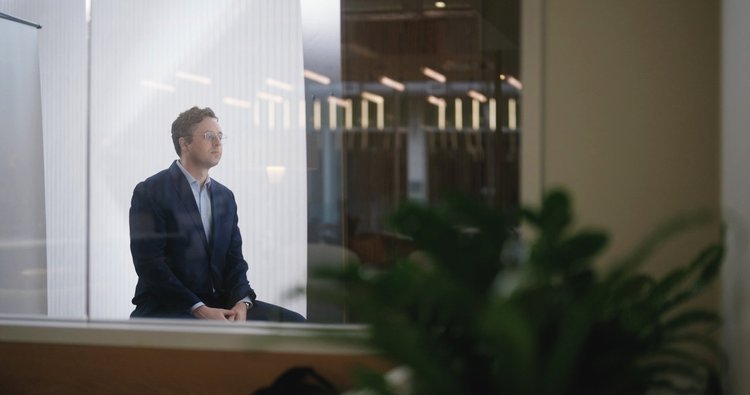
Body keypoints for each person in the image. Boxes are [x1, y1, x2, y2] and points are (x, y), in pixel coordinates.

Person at [129, 106, 304, 322]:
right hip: (170, 306)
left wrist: (242, 302)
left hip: (220, 303)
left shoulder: (225, 197)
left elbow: (235, 261)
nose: (218, 143)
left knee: (294, 323)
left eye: (220, 136)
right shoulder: (151, 191)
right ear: (185, 143)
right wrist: (199, 308)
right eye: (209, 136)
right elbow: (150, 265)